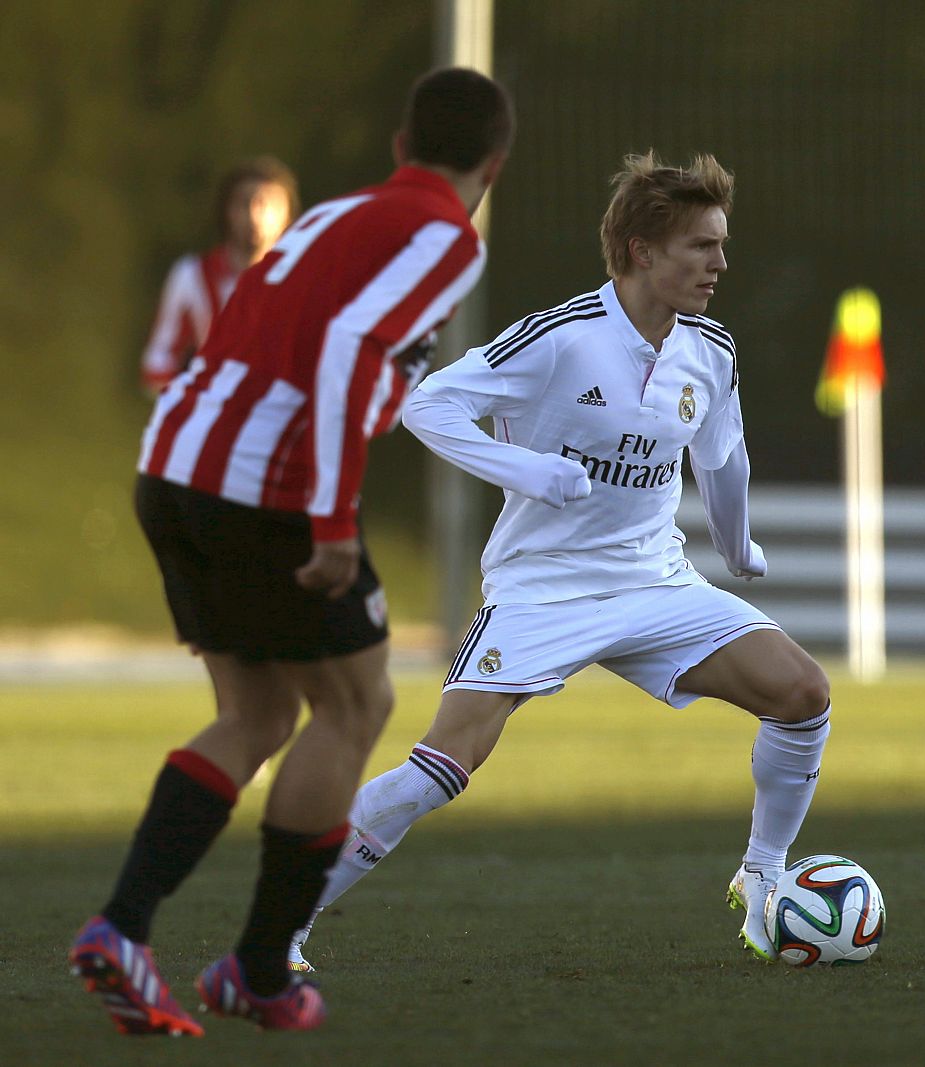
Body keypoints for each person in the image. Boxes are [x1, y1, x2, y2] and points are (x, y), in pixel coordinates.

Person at [287, 151, 831, 972]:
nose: (720, 263)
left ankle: (762, 876)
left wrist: (735, 540)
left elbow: (723, 457)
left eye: (721, 245)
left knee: (802, 693)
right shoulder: (564, 338)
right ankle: (280, 920)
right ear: (644, 250)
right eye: (700, 246)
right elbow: (426, 402)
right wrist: (526, 469)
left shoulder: (709, 352)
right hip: (544, 588)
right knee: (445, 764)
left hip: (654, 581)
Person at [68, 67, 514, 1035]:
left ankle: (123, 928)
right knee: (358, 701)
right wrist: (332, 519)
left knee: (261, 708)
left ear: (398, 147)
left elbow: (264, 331)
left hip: (172, 464)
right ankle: (260, 969)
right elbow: (351, 350)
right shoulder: (445, 234)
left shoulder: (327, 217)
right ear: (493, 165)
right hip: (260, 487)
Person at [140, 156, 299, 395]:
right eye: (245, 203)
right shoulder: (192, 275)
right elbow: (158, 360)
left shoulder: (300, 282)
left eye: (268, 204)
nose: (256, 216)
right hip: (209, 414)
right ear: (228, 211)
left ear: (288, 215)